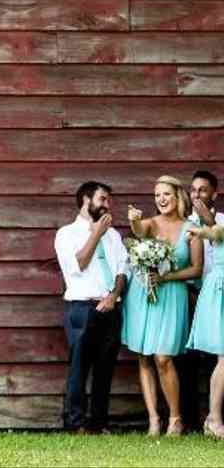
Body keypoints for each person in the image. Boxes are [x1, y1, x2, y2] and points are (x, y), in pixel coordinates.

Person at [122, 175, 203, 437]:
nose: (161, 199)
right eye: (157, 195)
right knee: (144, 356)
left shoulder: (191, 228)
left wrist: (166, 276)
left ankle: (175, 418)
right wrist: (134, 218)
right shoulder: (150, 224)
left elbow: (196, 268)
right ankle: (154, 420)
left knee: (163, 357)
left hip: (172, 296)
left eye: (166, 194)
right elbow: (139, 231)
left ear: (177, 196)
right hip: (143, 294)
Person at [54, 181, 127, 434]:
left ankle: (99, 423)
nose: (107, 205)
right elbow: (79, 264)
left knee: (105, 369)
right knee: (79, 368)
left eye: (108, 200)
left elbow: (121, 271)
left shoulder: (115, 235)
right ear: (86, 200)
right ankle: (75, 423)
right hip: (82, 309)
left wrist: (113, 296)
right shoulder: (66, 234)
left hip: (111, 309)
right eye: (103, 199)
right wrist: (96, 233)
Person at [178, 170, 223, 431]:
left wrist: (208, 226)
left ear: (213, 193)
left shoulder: (222, 222)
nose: (196, 195)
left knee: (218, 358)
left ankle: (215, 415)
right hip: (191, 294)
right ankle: (192, 419)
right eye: (193, 190)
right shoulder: (184, 225)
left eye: (202, 190)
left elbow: (217, 237)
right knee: (189, 360)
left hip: (218, 294)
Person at [186, 224, 224, 438]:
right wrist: (200, 232)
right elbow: (216, 233)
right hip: (220, 294)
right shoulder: (221, 227)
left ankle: (213, 418)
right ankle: (214, 419)